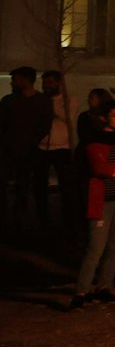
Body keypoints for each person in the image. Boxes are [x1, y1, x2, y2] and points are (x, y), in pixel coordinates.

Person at [69, 100, 115, 308]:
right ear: (105, 118)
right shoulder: (92, 142)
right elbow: (98, 169)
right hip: (102, 201)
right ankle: (81, 291)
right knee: (96, 248)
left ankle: (104, 286)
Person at [1, 66, 52, 225]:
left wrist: (31, 141)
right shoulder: (9, 101)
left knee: (23, 183)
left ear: (25, 80)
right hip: (8, 149)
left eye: (15, 80)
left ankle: (19, 215)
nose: (12, 83)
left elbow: (44, 125)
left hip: (27, 149)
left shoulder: (41, 101)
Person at [34, 70, 77, 227]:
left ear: (58, 83)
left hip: (61, 147)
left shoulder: (68, 100)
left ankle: (67, 215)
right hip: (41, 147)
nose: (47, 86)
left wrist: (51, 108)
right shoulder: (40, 100)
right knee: (39, 183)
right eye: (45, 83)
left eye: (50, 83)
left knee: (65, 183)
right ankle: (42, 216)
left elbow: (68, 117)